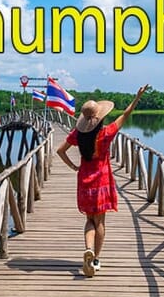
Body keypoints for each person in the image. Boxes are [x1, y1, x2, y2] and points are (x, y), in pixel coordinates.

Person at [56, 84, 149, 277]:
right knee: (100, 222)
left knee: (89, 219)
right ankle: (95, 259)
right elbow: (125, 114)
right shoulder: (106, 133)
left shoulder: (77, 134)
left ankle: (88, 248)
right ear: (99, 117)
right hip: (102, 181)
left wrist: (74, 167)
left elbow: (60, 151)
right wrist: (137, 97)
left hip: (84, 181)